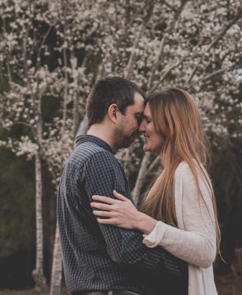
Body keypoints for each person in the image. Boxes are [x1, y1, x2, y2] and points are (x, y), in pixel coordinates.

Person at [57, 76, 187, 295]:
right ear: (114, 112)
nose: (141, 127)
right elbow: (125, 249)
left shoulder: (77, 159)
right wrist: (181, 266)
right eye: (138, 117)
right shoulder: (99, 160)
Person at [91, 87, 219, 295]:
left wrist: (141, 221)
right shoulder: (165, 177)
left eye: (148, 121)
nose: (141, 128)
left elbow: (205, 250)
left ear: (170, 125)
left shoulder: (189, 173)